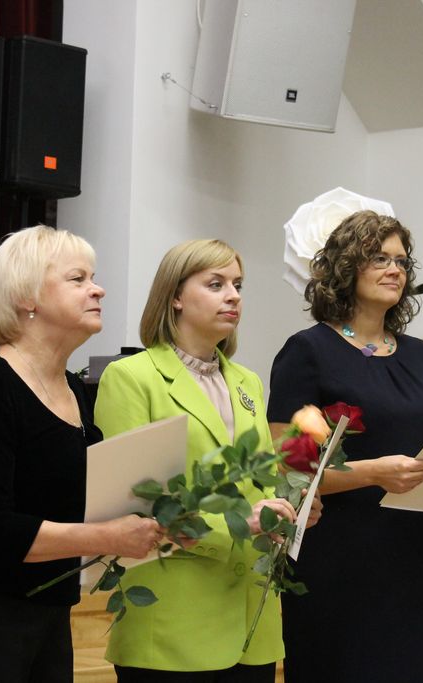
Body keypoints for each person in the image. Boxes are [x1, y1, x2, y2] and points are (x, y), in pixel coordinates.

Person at [0, 225, 162, 683]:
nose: (98, 289)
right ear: (26, 297)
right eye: (78, 278)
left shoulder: (72, 388)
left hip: (50, 610)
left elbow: (81, 500)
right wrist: (107, 537)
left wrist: (161, 521)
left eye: (93, 278)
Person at [266, 210, 423, 682]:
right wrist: (373, 473)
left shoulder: (417, 353)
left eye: (402, 261)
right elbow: (289, 472)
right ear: (346, 266)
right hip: (337, 555)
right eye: (380, 258)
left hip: (411, 553)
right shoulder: (308, 351)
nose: (395, 270)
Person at [95, 239, 311, 682]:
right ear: (175, 296)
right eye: (216, 284)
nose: (233, 296)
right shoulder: (131, 377)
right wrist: (238, 525)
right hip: (172, 616)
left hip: (251, 612)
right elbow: (135, 501)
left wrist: (289, 505)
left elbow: (261, 481)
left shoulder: (247, 381)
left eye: (238, 285)